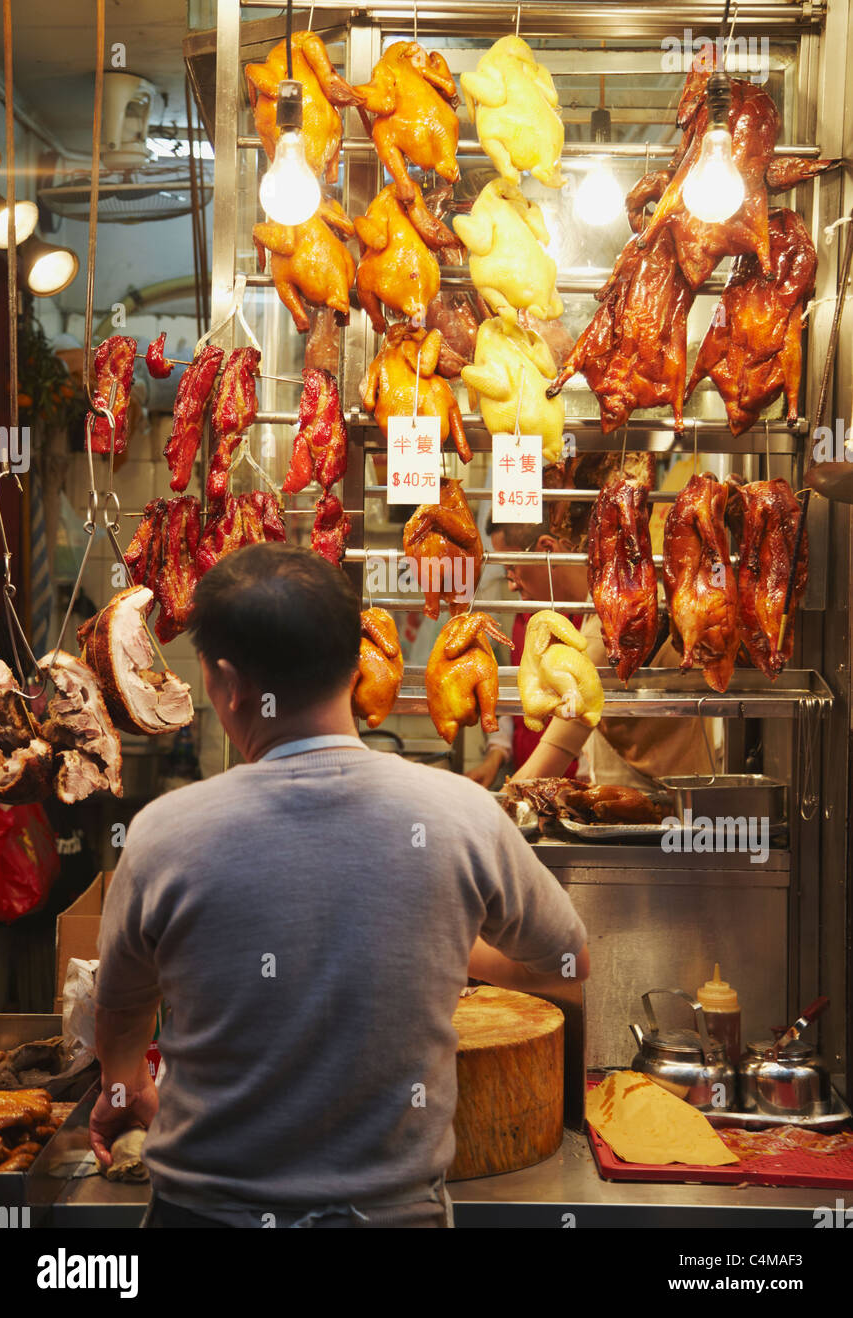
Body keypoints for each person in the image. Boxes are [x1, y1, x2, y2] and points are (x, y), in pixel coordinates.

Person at [90, 543, 589, 1229]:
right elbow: (568, 962)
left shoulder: (163, 833)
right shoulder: (461, 813)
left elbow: (119, 1004)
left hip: (207, 1213)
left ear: (228, 683)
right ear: (357, 667)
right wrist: (434, 938)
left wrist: (125, 1083)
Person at [472, 455, 712, 791]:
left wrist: (489, 808)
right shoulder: (592, 607)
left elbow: (553, 752)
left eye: (512, 567)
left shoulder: (614, 616)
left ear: (545, 549)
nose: (511, 582)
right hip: (638, 798)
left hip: (668, 811)